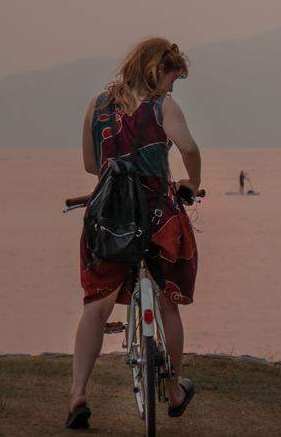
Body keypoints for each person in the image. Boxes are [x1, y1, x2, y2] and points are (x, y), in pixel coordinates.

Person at [67, 38, 202, 429]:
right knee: (168, 303)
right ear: (157, 70)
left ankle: (77, 395)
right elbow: (189, 148)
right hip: (157, 213)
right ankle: (174, 389)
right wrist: (192, 181)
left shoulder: (98, 105)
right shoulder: (162, 107)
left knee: (96, 305)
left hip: (110, 215)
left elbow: (91, 164)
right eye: (172, 80)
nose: (172, 89)